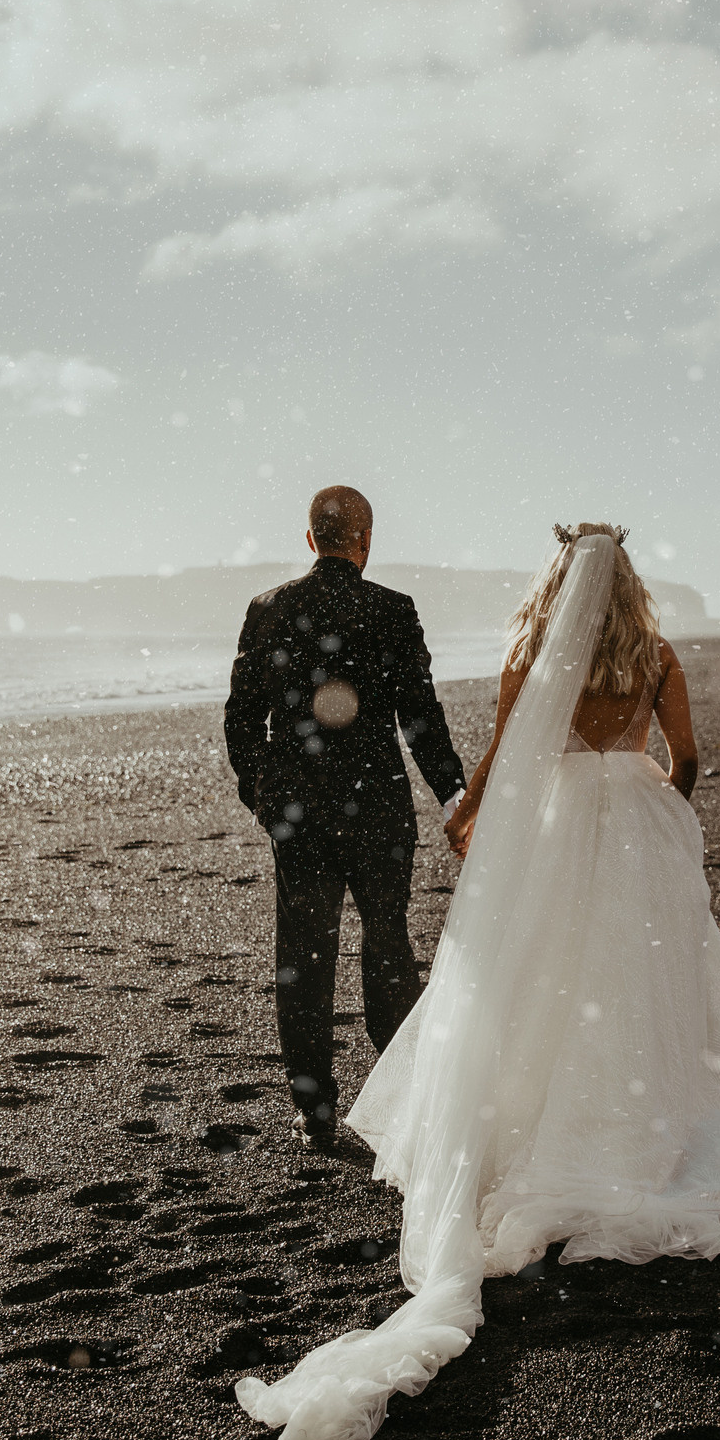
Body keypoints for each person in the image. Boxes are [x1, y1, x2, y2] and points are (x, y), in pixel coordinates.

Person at [234, 524, 720, 1440]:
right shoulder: (656, 655)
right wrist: (659, 797)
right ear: (625, 582)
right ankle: (631, 1120)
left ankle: (538, 1120)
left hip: (553, 828)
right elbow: (690, 758)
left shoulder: (531, 657)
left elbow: (509, 760)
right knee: (634, 975)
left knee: (545, 976)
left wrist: (468, 810)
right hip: (630, 822)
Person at [224, 486, 469, 1151]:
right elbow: (420, 715)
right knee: (388, 944)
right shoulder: (392, 610)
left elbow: (241, 720)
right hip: (379, 806)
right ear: (366, 541)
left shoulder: (270, 609)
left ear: (311, 540)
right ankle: (401, 1101)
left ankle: (316, 1111)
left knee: (303, 957)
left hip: (300, 813)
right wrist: (453, 795)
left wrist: (265, 797)